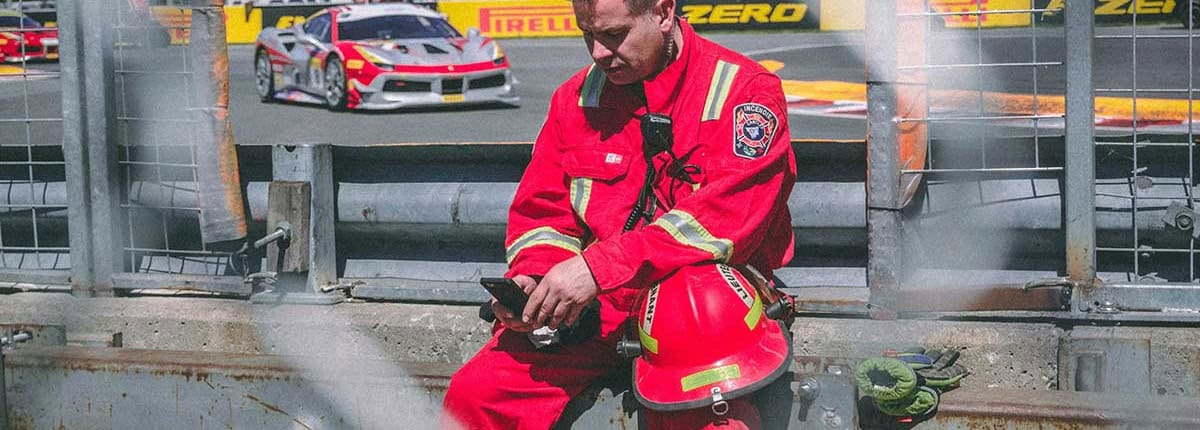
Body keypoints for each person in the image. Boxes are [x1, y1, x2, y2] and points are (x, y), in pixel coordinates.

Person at [441, 0, 796, 425]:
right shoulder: (574, 99)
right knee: (474, 398)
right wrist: (536, 282)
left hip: (703, 313)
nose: (598, 53)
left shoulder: (746, 91)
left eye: (613, 35)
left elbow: (727, 219)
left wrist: (595, 270)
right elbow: (544, 215)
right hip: (597, 309)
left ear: (663, 13)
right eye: (587, 34)